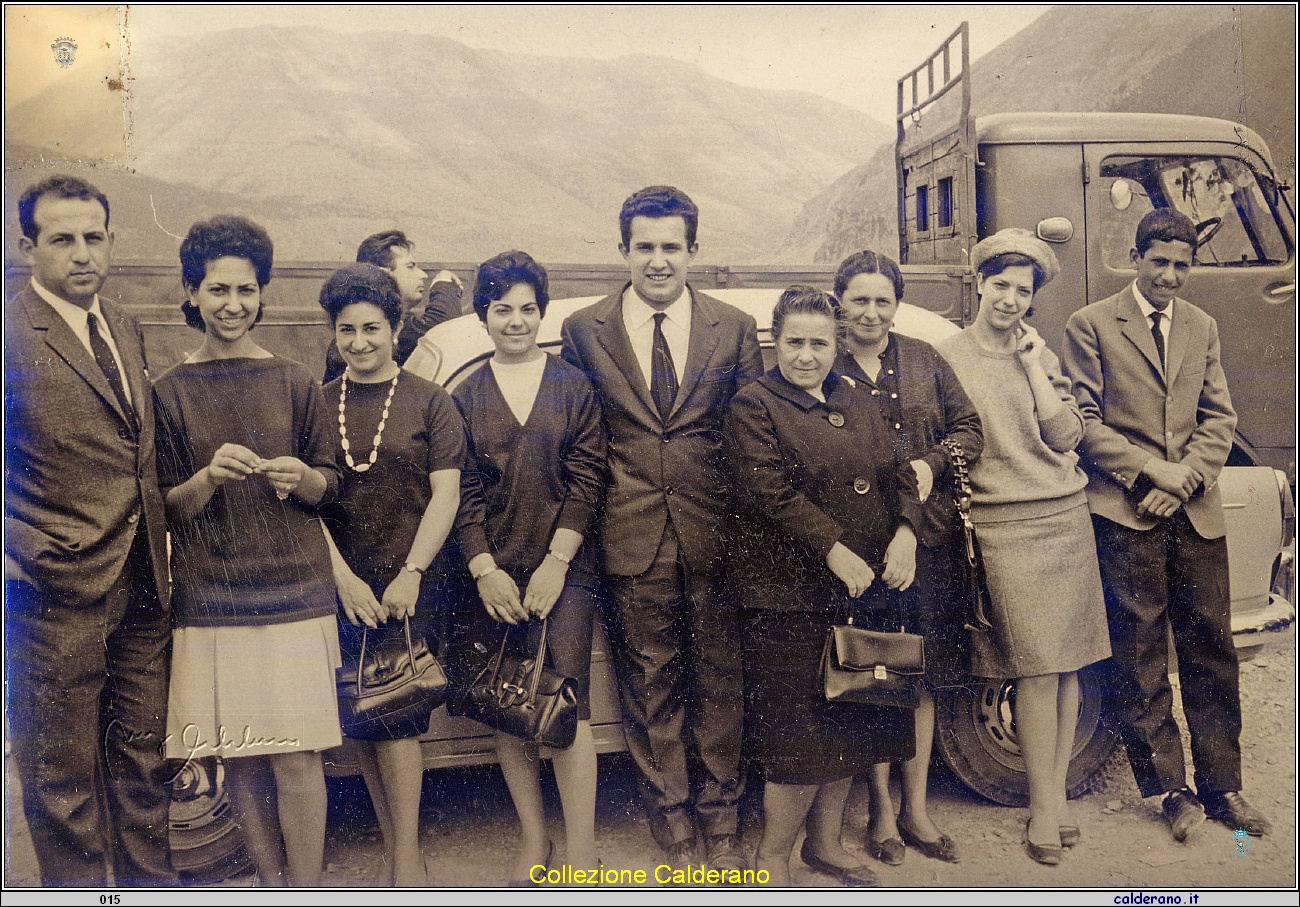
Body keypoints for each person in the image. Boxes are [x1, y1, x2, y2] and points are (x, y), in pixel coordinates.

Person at [559, 186, 762, 868]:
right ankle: (672, 825)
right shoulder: (586, 330)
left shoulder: (732, 328)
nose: (656, 260)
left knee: (719, 684)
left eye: (670, 246)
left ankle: (723, 822)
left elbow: (751, 441)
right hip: (629, 533)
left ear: (693, 251)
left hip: (715, 536)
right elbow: (580, 440)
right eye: (643, 246)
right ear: (623, 250)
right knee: (649, 688)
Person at [1062, 208, 1269, 842]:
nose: (1171, 276)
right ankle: (1172, 793)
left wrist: (1182, 484)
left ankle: (1222, 788)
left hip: (1192, 513)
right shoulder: (1090, 324)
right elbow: (1084, 422)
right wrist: (1152, 472)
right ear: (1137, 257)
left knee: (1212, 647)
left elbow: (1219, 417)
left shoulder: (1202, 326)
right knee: (1141, 653)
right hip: (1126, 513)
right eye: (1160, 262)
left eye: (1182, 265)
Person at [154, 215, 343, 887]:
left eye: (245, 289)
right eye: (217, 289)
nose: (232, 304)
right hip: (213, 600)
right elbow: (163, 509)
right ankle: (271, 887)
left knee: (296, 759)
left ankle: (308, 891)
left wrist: (304, 476)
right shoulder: (168, 392)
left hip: (295, 594)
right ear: (192, 292)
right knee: (244, 760)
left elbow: (331, 485)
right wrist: (205, 478)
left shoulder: (294, 380)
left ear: (262, 293)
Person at [5, 176, 177, 887]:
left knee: (142, 766)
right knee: (63, 781)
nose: (83, 254)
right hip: (52, 592)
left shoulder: (125, 325)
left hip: (142, 585)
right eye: (63, 239)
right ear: (26, 248)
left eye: (94, 237)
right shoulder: (11, 333)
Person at [726, 285, 923, 887]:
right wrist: (834, 548)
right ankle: (772, 859)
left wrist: (907, 533)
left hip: (862, 589)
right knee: (798, 737)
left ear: (836, 345)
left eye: (818, 343)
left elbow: (901, 471)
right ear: (774, 342)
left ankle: (826, 844)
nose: (806, 355)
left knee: (853, 716)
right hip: (790, 597)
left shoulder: (855, 398)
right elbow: (768, 492)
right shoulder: (754, 405)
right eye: (794, 342)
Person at [935, 228, 1111, 866]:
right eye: (1001, 285)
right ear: (979, 284)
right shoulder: (947, 357)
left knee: (1066, 667)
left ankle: (1053, 797)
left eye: (1023, 290)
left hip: (1063, 516)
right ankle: (1044, 806)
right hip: (1004, 525)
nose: (1010, 299)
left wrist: (1035, 364)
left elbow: (1066, 437)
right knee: (1036, 669)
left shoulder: (1039, 353)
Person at [451, 251, 607, 884]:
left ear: (542, 313)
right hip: (493, 578)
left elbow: (588, 479)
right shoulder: (462, 396)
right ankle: (534, 842)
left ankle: (583, 849)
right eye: (501, 310)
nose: (515, 322)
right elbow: (458, 491)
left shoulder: (574, 386)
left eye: (527, 309)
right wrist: (485, 570)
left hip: (564, 573)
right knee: (508, 704)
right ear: (483, 314)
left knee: (565, 710)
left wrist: (556, 563)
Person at [832, 251, 982, 868]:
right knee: (873, 678)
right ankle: (881, 813)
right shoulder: (824, 365)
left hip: (926, 547)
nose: (871, 312)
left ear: (897, 304)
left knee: (919, 680)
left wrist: (934, 461)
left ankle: (916, 809)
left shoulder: (925, 359)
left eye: (882, 301)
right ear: (840, 300)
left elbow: (970, 429)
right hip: (857, 555)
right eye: (859, 300)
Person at [318, 264, 465, 886]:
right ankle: (397, 851)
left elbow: (447, 496)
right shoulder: (318, 402)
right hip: (344, 584)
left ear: (398, 326)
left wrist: (411, 573)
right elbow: (308, 504)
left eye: (372, 328)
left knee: (397, 716)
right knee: (365, 719)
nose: (359, 342)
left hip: (412, 584)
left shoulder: (433, 401)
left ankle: (406, 867)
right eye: (346, 330)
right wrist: (343, 580)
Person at [322, 229, 464, 383]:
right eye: (410, 267)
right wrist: (443, 286)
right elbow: (442, 321)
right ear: (383, 274)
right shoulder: (385, 328)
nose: (422, 275)